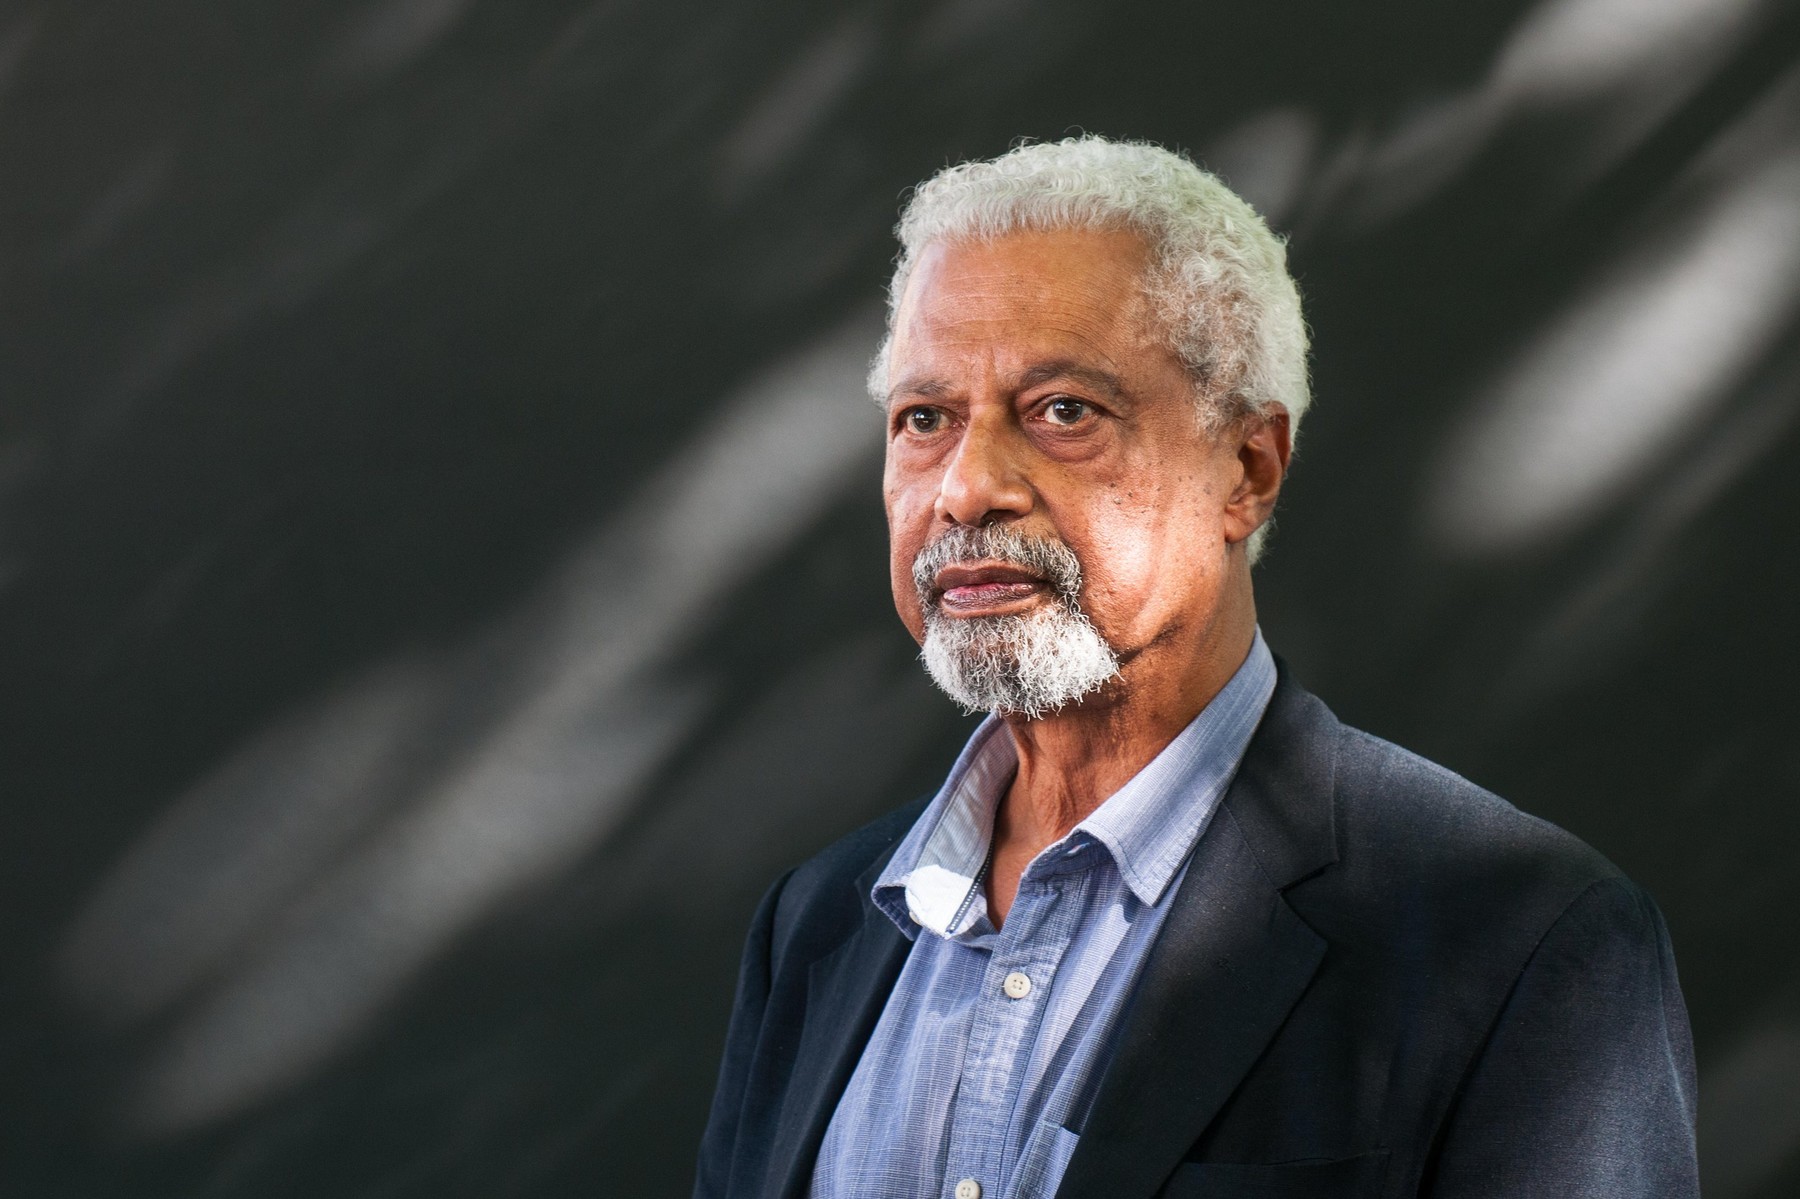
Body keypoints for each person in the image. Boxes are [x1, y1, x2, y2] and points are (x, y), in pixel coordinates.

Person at [693, 136, 1699, 1199]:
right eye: (925, 420)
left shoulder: (1521, 939)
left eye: (1063, 410)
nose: (967, 486)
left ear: (1248, 468)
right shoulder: (818, 924)